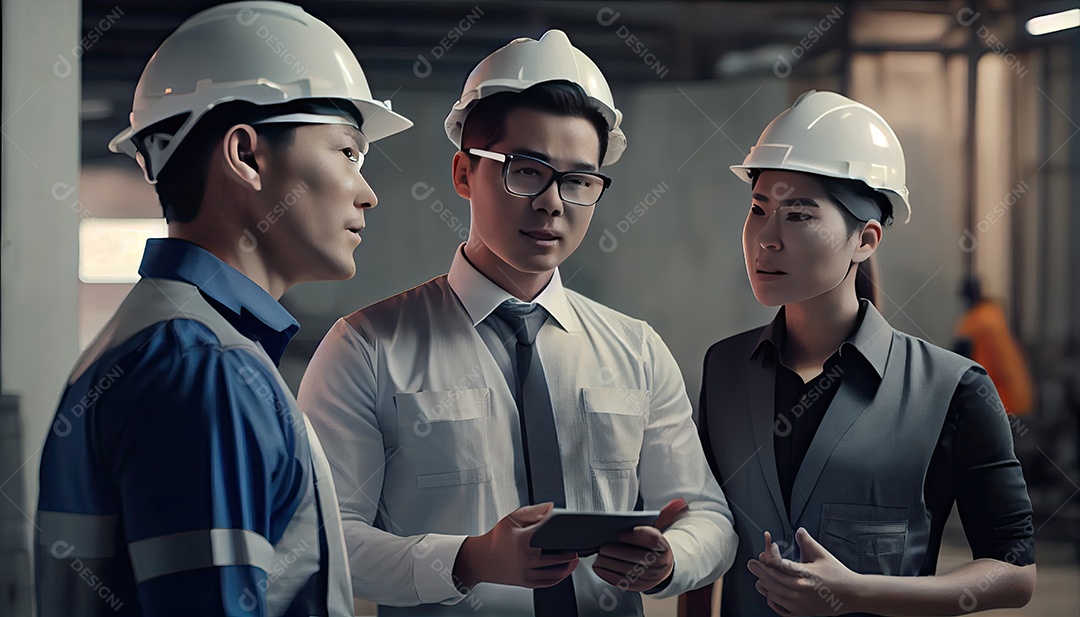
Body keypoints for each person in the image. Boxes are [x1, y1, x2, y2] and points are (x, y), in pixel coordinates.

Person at [298, 30, 736, 617]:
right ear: (462, 174)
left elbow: (707, 516)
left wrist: (671, 558)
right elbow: (324, 539)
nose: (554, 202)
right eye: (527, 171)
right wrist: (469, 559)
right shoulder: (367, 348)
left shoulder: (636, 350)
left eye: (580, 181)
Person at [34, 3, 411, 616]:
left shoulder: (148, 342)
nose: (366, 193)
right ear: (247, 156)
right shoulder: (205, 368)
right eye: (349, 152)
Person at [697, 90, 1036, 616]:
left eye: (799, 215)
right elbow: (709, 530)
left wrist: (858, 592)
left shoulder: (953, 389)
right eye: (759, 209)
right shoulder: (723, 369)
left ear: (866, 240)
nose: (766, 238)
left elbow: (1015, 574)